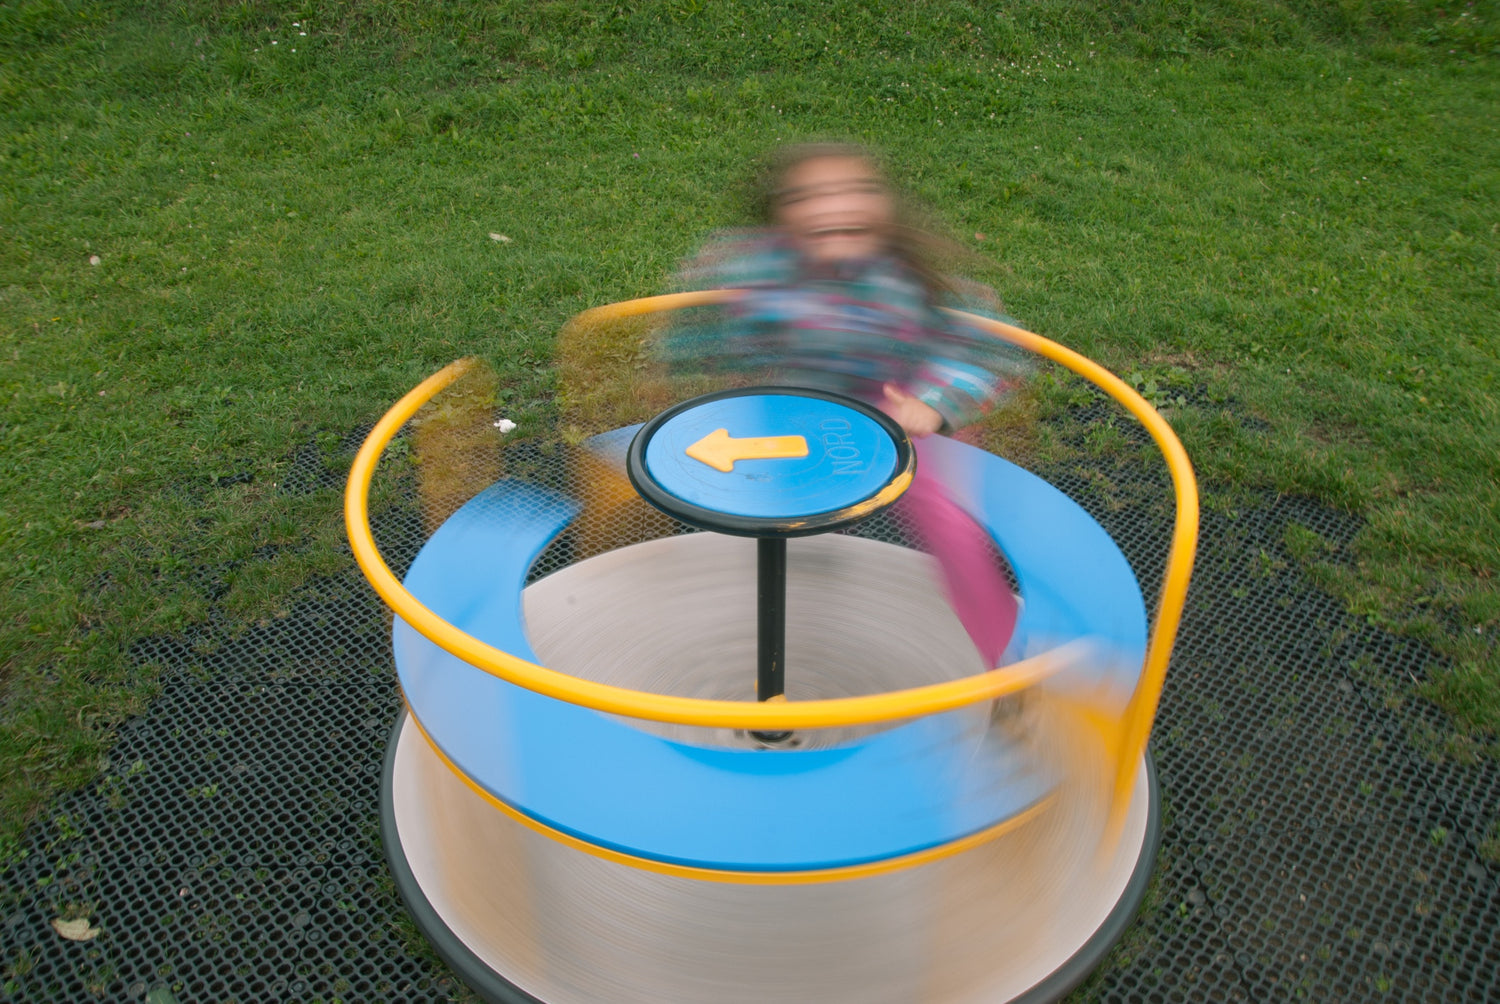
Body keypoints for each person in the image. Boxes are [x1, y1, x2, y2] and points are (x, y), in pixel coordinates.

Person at [662, 142, 1030, 669]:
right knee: (790, 512)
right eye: (807, 196)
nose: (834, 207)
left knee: (948, 527)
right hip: (807, 410)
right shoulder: (761, 269)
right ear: (779, 217)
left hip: (904, 416)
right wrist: (696, 335)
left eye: (856, 191)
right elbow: (698, 330)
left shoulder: (908, 279)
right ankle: (810, 587)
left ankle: (1004, 657)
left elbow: (990, 346)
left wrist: (935, 402)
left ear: (884, 210)